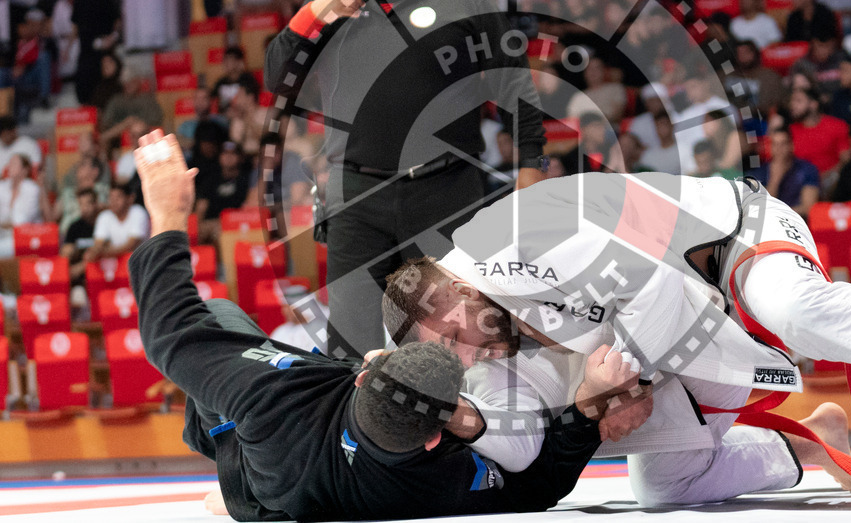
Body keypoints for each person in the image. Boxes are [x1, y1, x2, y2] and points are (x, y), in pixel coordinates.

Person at [384, 171, 851, 505]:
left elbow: (656, 285)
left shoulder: (512, 243)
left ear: (444, 295)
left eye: (449, 345)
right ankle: (811, 447)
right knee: (666, 487)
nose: (464, 359)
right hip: (692, 319)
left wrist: (610, 393)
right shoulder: (492, 304)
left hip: (734, 240)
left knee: (792, 306)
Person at [128, 129, 640, 522]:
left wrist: (167, 213)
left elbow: (168, 328)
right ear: (441, 437)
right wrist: (592, 409)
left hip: (264, 481)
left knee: (216, 321)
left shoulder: (276, 395)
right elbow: (541, 485)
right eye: (454, 343)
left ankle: (212, 437)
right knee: (214, 339)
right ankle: (214, 435)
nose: (470, 352)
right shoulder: (439, 481)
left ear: (365, 370)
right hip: (305, 467)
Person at [265, 0, 547, 357]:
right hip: (356, 196)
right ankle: (355, 431)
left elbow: (513, 82)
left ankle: (465, 427)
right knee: (350, 344)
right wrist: (314, 14)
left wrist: (531, 163)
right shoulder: (330, 7)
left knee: (456, 332)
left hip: (446, 190)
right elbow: (277, 79)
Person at [70, 0, 120, 105]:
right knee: (82, 84)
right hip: (86, 48)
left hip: (104, 47)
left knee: (103, 80)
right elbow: (75, 26)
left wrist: (113, 37)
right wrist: (68, 48)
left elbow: (117, 18)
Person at [751, 126, 820, 218]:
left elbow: (808, 207)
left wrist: (779, 214)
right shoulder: (760, 173)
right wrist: (775, 179)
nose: (779, 149)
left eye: (783, 144)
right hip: (770, 222)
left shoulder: (807, 170)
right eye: (775, 144)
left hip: (798, 222)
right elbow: (762, 207)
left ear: (791, 145)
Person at [787, 86, 850, 183]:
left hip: (832, 182)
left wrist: (825, 178)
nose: (792, 105)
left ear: (813, 104)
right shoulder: (790, 131)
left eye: (798, 101)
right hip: (800, 184)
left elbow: (846, 160)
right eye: (792, 101)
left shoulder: (837, 126)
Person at [194, 140, 251, 244]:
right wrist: (196, 226)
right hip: (210, 222)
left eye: (233, 153)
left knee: (219, 231)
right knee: (195, 231)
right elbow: (201, 207)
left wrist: (227, 221)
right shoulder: (211, 180)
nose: (228, 157)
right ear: (219, 157)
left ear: (241, 158)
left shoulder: (246, 179)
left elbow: (248, 205)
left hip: (236, 222)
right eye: (225, 153)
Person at [83, 183, 150, 261]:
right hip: (116, 264)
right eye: (111, 198)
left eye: (118, 197)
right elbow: (98, 244)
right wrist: (95, 251)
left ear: (130, 198)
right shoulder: (104, 216)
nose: (113, 202)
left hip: (141, 260)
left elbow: (131, 245)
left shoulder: (138, 212)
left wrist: (103, 253)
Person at [0, 154, 48, 258]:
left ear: (25, 170)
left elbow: (22, 223)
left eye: (14, 163)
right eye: (9, 163)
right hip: (4, 237)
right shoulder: (2, 187)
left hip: (28, 239)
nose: (9, 166)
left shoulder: (32, 189)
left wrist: (4, 224)